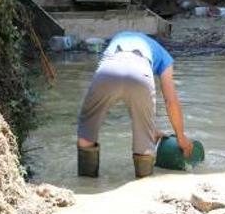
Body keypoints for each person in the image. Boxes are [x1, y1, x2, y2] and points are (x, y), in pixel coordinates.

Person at [76, 31, 193, 178]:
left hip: (108, 68)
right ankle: (143, 185)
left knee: (87, 131)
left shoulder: (118, 38)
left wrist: (153, 129)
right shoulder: (164, 56)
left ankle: (86, 184)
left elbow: (121, 88)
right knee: (145, 145)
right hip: (141, 72)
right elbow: (171, 101)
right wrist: (180, 136)